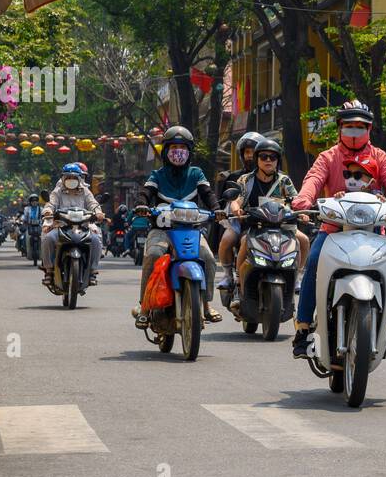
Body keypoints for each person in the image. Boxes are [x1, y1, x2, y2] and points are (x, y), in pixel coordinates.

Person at [290, 100, 386, 359]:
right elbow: (313, 180)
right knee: (314, 260)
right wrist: (303, 201)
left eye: (360, 126)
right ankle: (303, 330)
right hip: (333, 231)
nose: (354, 131)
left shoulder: (381, 158)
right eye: (349, 125)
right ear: (339, 128)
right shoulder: (328, 157)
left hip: (373, 234)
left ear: (369, 129)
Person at [132, 125, 222, 327]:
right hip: (162, 231)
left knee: (207, 257)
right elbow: (145, 193)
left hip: (191, 231)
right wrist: (141, 205)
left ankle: (206, 305)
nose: (178, 152)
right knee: (153, 255)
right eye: (173, 148)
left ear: (189, 152)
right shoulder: (157, 175)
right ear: (165, 151)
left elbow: (208, 194)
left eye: (182, 148)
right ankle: (145, 307)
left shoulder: (196, 174)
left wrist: (217, 209)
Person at [226, 138, 309, 318]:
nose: (268, 160)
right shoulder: (246, 180)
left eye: (273, 157)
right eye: (264, 156)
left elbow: (296, 201)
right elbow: (237, 200)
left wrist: (302, 212)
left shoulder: (284, 180)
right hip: (255, 226)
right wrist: (236, 209)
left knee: (303, 240)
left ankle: (297, 277)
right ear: (257, 159)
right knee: (243, 243)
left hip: (283, 226)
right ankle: (239, 285)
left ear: (278, 160)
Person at [216, 132, 267, 289]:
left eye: (253, 152)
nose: (250, 156)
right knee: (227, 240)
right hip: (242, 222)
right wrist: (235, 211)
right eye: (247, 152)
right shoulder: (237, 178)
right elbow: (230, 202)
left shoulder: (280, 178)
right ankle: (228, 275)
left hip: (269, 223)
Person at [41, 163, 105, 286]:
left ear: (79, 178)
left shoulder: (85, 191)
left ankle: (93, 271)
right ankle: (48, 270)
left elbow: (93, 204)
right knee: (48, 238)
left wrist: (98, 213)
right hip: (61, 226)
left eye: (74, 177)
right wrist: (48, 211)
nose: (71, 180)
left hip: (83, 226)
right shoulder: (58, 191)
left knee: (96, 240)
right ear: (63, 178)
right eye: (68, 177)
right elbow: (50, 204)